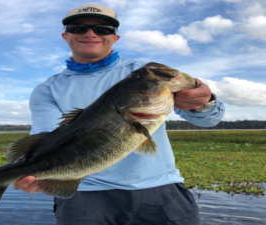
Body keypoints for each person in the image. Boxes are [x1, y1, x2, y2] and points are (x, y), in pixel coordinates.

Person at [14, 3, 224, 225]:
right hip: (83, 194)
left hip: (159, 188)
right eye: (79, 28)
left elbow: (210, 120)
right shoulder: (47, 89)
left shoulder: (145, 74)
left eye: (103, 29)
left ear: (115, 38)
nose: (90, 34)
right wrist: (36, 173)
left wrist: (204, 103)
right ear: (66, 36)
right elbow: (47, 139)